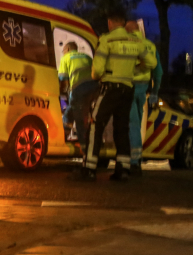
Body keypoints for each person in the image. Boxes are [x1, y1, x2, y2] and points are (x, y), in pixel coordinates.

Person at [75, 11, 157, 182]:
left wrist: (98, 76)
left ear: (111, 23)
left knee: (95, 124)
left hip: (110, 88)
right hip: (127, 89)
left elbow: (96, 71)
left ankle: (89, 168)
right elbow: (152, 63)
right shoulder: (136, 42)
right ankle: (123, 170)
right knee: (122, 129)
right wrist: (133, 69)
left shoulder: (107, 40)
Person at [126, 20, 164, 176]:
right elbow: (158, 72)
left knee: (132, 125)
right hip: (143, 90)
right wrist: (154, 92)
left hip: (128, 88)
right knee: (138, 126)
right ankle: (136, 159)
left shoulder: (126, 43)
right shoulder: (150, 45)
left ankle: (134, 163)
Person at [58, 42, 97, 150]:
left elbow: (64, 81)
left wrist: (61, 95)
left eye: (63, 51)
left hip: (79, 89)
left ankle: (84, 148)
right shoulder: (87, 57)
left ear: (69, 49)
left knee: (78, 117)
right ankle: (68, 136)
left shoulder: (66, 58)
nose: (63, 53)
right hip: (94, 89)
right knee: (74, 112)